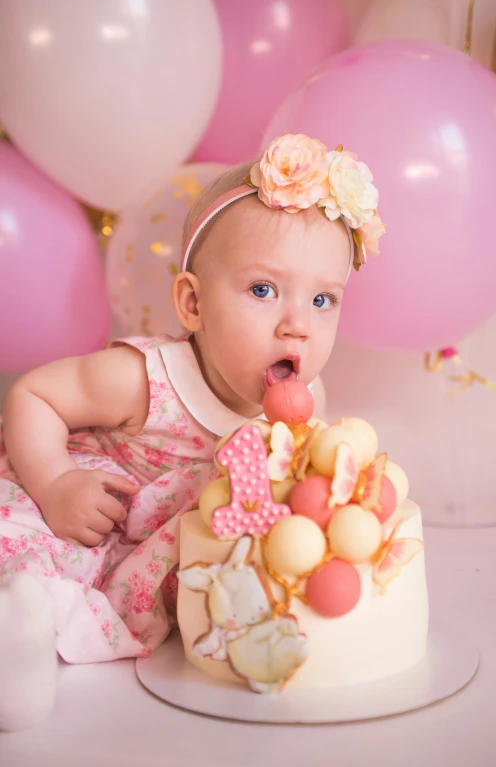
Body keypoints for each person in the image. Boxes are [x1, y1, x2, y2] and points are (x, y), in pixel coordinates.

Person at [0, 133, 384, 730]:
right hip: (87, 503)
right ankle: (16, 633)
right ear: (193, 305)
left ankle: (41, 637)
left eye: (322, 299)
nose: (297, 326)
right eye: (263, 290)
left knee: (136, 602)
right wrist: (56, 484)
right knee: (38, 552)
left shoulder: (307, 406)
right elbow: (33, 395)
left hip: (159, 545)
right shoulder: (142, 377)